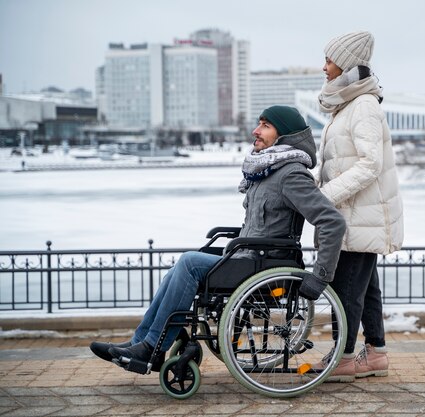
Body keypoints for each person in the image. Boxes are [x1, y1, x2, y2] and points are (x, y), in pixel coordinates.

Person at [90, 106, 346, 368]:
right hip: (250, 257)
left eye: (265, 126)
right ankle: (141, 342)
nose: (255, 131)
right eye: (258, 124)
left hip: (264, 263)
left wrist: (321, 277)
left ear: (285, 136)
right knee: (180, 267)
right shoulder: (265, 171)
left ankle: (151, 348)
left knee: (190, 264)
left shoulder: (290, 174)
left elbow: (332, 222)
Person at [316, 31, 404, 382]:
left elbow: (369, 164)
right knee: (365, 288)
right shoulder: (351, 103)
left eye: (329, 60)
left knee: (346, 288)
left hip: (360, 215)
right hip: (355, 214)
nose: (323, 67)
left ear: (347, 64)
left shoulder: (363, 105)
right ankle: (376, 353)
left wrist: (325, 197)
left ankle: (345, 356)